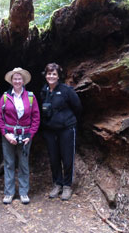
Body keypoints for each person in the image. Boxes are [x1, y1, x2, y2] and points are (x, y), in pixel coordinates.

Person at [0, 67, 40, 205]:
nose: (17, 81)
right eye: (15, 78)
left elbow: (36, 118)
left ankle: (23, 192)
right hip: (8, 135)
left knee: (23, 164)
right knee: (9, 163)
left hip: (25, 136)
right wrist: (6, 134)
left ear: (23, 81)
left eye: (19, 78)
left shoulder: (31, 97)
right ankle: (9, 193)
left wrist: (30, 135)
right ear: (11, 81)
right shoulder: (5, 97)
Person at [40, 63, 82, 201]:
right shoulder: (44, 90)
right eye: (49, 74)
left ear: (58, 76)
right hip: (50, 131)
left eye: (54, 74)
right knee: (54, 158)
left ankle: (67, 186)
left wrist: (66, 120)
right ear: (45, 75)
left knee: (67, 158)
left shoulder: (66, 90)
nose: (51, 76)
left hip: (66, 129)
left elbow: (77, 107)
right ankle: (57, 184)